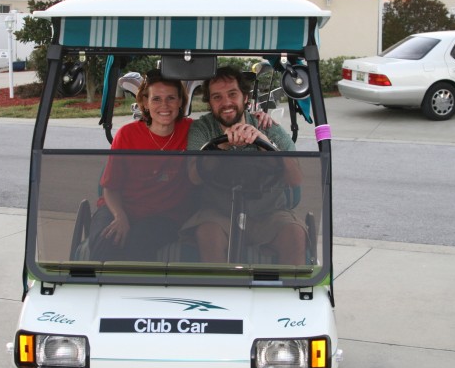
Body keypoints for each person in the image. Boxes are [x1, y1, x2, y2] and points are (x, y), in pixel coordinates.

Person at [84, 69, 274, 262]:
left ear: (181, 102)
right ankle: (97, 290)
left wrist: (257, 117)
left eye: (171, 98)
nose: (164, 105)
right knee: (106, 241)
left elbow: (226, 123)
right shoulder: (127, 134)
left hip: (166, 216)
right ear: (145, 103)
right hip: (120, 207)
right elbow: (110, 187)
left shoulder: (193, 130)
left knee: (138, 243)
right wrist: (120, 216)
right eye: (156, 99)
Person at [183, 66, 307, 265]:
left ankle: (291, 291)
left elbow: (296, 178)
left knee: (295, 233)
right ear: (210, 103)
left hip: (268, 213)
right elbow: (194, 177)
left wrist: (264, 142)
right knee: (208, 233)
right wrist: (221, 145)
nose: (226, 103)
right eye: (217, 97)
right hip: (219, 213)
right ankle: (218, 292)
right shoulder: (202, 128)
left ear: (245, 98)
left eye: (232, 94)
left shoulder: (267, 126)